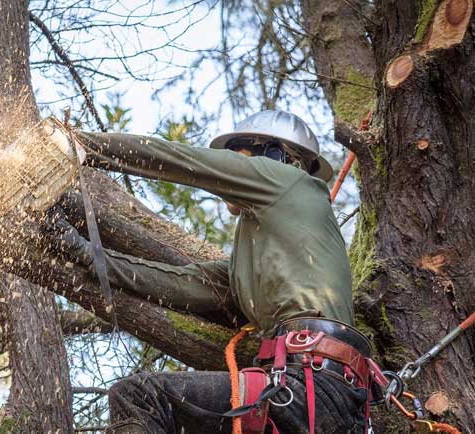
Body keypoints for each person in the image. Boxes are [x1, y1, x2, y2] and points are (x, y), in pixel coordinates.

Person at [59, 110, 372, 433]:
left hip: (311, 385)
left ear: (274, 154)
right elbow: (182, 284)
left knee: (140, 397)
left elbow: (185, 161)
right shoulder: (253, 261)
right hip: (306, 393)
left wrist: (79, 145)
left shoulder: (288, 181)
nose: (230, 165)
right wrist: (87, 255)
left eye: (238, 157)